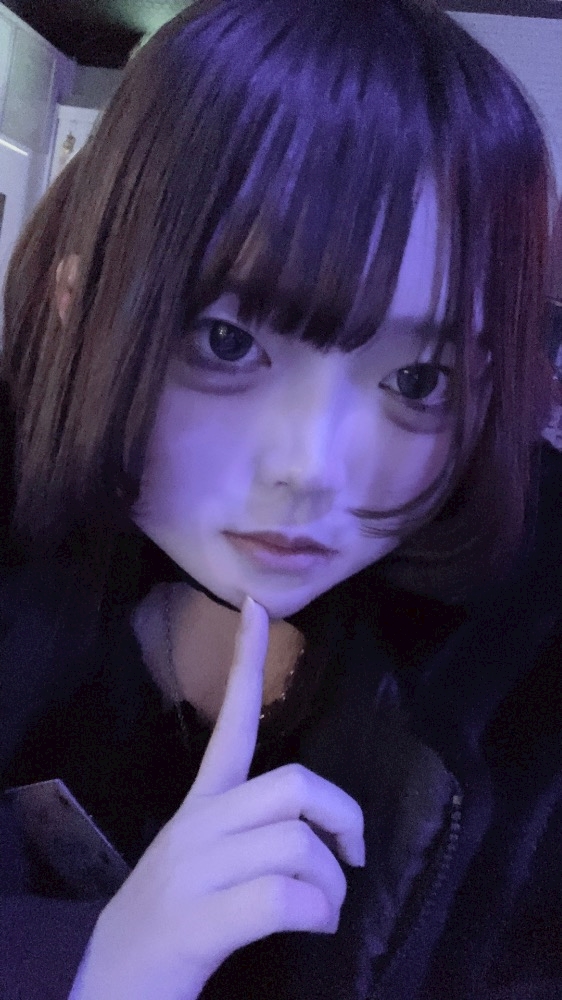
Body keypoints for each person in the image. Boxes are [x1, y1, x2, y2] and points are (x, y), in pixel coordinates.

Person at [0, 0, 561, 997]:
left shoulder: (524, 687)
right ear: (79, 308)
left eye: (419, 379)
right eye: (226, 341)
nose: (312, 467)